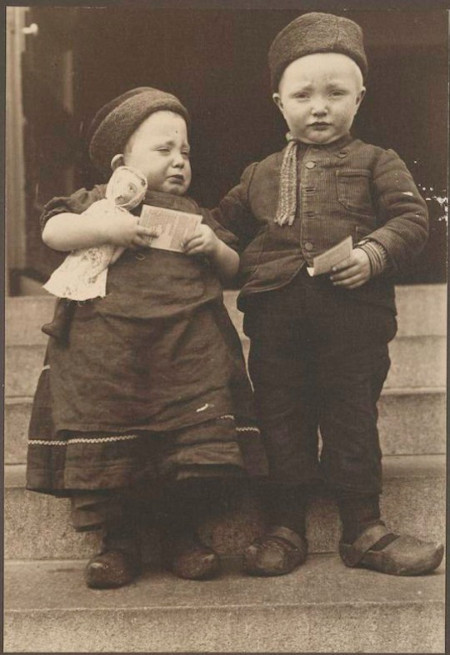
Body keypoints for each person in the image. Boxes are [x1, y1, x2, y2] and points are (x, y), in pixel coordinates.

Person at [212, 12, 444, 577]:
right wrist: (190, 242)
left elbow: (413, 218)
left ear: (359, 99)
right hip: (275, 322)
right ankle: (284, 528)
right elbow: (221, 228)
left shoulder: (377, 162)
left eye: (336, 93)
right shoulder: (257, 175)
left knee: (350, 418)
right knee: (280, 419)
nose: (320, 106)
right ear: (279, 102)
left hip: (353, 322)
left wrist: (373, 253)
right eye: (303, 94)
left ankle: (364, 530)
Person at [26, 87, 266, 589]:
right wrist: (102, 229)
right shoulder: (95, 204)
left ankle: (182, 534)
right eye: (164, 150)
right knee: (113, 445)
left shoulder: (194, 214)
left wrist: (214, 247)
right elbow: (53, 232)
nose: (179, 161)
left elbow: (234, 268)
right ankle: (120, 543)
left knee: (186, 448)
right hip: (108, 352)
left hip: (183, 351)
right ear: (121, 162)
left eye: (185, 152)